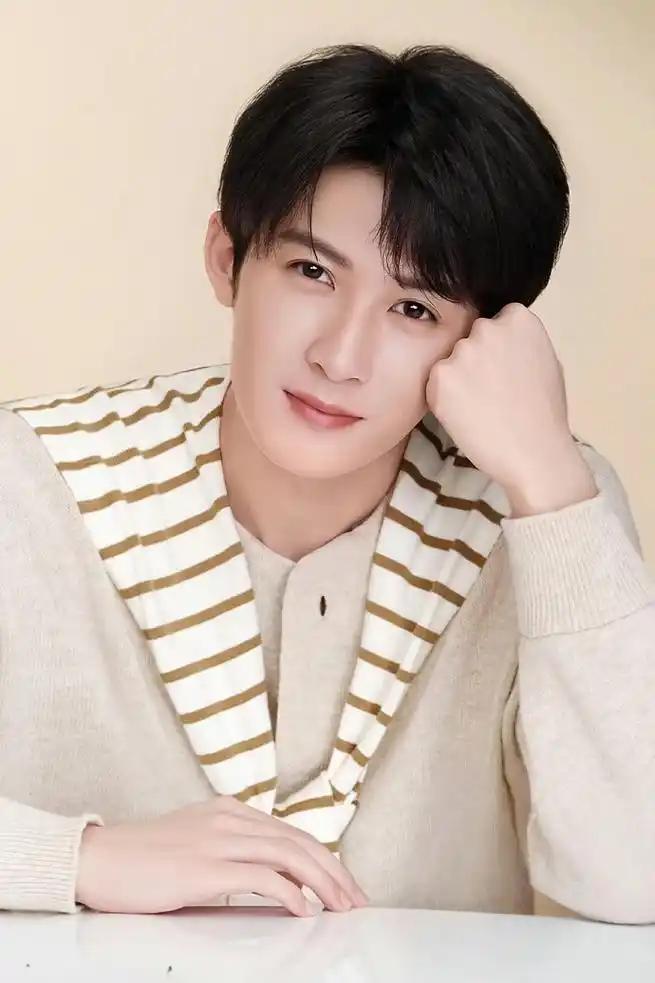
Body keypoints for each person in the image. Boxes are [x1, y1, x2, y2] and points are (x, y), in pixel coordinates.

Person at [0, 42, 653, 923]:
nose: (341, 357)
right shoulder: (29, 482)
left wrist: (551, 487)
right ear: (227, 258)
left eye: (414, 309)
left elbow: (637, 877)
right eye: (311, 272)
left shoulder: (542, 507)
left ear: (484, 338)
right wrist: (78, 859)